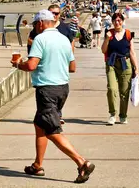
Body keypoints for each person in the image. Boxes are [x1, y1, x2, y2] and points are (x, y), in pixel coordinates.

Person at [11, 10, 95, 183]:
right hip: (62, 88)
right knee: (39, 124)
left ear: (41, 23)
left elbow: (32, 65)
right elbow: (72, 67)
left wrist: (18, 65)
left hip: (46, 89)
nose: (35, 28)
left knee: (51, 130)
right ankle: (37, 165)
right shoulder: (64, 39)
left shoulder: (40, 39)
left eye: (35, 25)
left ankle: (81, 162)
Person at [101, 13, 139, 125]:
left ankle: (123, 115)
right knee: (112, 89)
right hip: (111, 63)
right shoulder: (109, 33)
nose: (117, 23)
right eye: (115, 20)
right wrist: (107, 39)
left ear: (122, 21)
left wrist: (136, 68)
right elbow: (103, 50)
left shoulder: (128, 34)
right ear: (112, 22)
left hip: (125, 63)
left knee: (124, 92)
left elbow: (132, 52)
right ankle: (112, 114)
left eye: (119, 20)